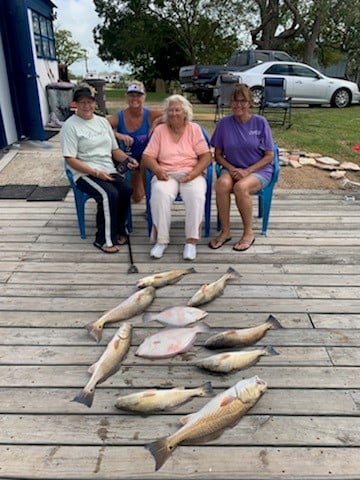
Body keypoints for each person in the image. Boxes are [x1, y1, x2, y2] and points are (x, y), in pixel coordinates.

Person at [60, 83, 138, 254]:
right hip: (85, 173)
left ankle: (118, 230)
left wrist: (128, 159)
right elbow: (70, 159)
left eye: (90, 102)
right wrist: (96, 172)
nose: (86, 106)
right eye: (82, 102)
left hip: (108, 169)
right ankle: (102, 239)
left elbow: (114, 151)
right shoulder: (70, 126)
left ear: (95, 103)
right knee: (108, 194)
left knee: (125, 189)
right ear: (75, 104)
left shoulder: (103, 122)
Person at [142, 94, 212, 261]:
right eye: (170, 110)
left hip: (191, 172)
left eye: (177, 110)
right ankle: (161, 240)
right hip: (166, 173)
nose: (174, 113)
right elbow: (147, 157)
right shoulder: (160, 130)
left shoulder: (194, 129)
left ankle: (190, 241)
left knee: (195, 194)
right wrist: (158, 170)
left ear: (185, 112)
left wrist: (194, 173)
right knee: (159, 193)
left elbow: (206, 156)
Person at [208, 83, 274, 252]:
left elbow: (269, 155)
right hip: (232, 167)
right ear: (230, 103)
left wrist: (247, 171)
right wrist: (231, 169)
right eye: (235, 101)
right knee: (222, 184)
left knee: (240, 187)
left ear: (250, 103)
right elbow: (218, 155)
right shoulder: (224, 124)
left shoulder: (260, 122)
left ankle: (248, 233)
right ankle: (225, 231)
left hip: (258, 170)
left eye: (242, 101)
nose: (238, 105)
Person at [107, 81, 163, 203]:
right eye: (131, 95)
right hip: (127, 159)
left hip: (146, 159)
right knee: (136, 197)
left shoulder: (150, 114)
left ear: (144, 97)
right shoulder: (119, 116)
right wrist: (117, 134)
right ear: (127, 97)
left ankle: (151, 204)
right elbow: (100, 126)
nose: (135, 98)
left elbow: (175, 114)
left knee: (147, 182)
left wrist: (155, 123)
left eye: (138, 95)